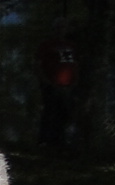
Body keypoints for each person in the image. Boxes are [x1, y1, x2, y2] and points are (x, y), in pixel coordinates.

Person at [37, 19, 79, 148]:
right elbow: (39, 64)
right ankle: (45, 140)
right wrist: (46, 81)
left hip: (68, 85)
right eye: (59, 28)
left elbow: (75, 64)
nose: (61, 31)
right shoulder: (47, 45)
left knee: (65, 113)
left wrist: (74, 82)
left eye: (63, 28)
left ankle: (61, 141)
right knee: (51, 111)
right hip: (52, 84)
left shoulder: (71, 46)